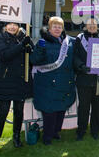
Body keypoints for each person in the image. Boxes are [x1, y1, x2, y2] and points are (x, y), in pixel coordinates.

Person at [30, 16, 76, 145]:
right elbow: (34, 60)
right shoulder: (43, 42)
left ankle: (56, 132)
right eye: (54, 26)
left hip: (64, 81)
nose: (57, 29)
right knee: (49, 111)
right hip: (47, 83)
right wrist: (39, 49)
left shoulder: (69, 42)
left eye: (59, 26)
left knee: (61, 108)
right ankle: (47, 136)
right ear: (49, 28)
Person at [0, 22, 34, 152]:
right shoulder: (0, 38)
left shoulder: (24, 37)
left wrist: (30, 50)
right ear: (5, 26)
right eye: (9, 25)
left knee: (19, 111)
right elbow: (4, 55)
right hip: (6, 80)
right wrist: (21, 46)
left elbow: (33, 57)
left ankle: (16, 138)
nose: (12, 27)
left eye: (15, 25)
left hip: (21, 80)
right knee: (3, 111)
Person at [73, 16, 99, 140]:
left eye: (94, 24)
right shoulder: (79, 39)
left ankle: (95, 130)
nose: (92, 26)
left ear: (98, 25)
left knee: (97, 107)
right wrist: (81, 66)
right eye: (89, 24)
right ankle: (81, 131)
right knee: (83, 107)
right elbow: (75, 57)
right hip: (84, 80)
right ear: (85, 26)